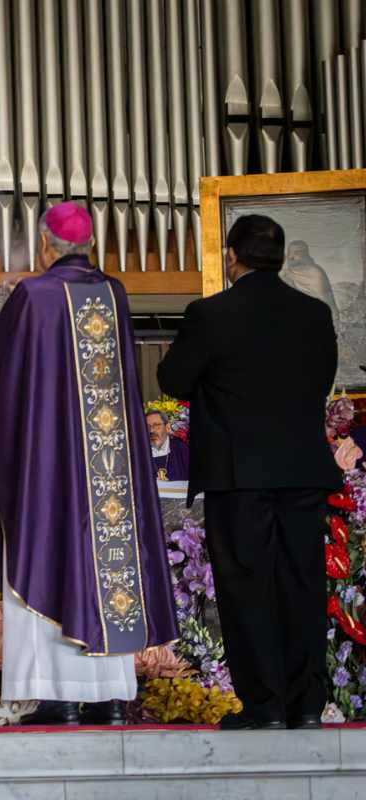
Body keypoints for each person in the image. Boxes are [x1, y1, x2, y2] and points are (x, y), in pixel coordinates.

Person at [0, 201, 177, 726]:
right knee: (107, 562)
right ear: (89, 246)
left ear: (47, 245)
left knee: (46, 548)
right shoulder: (114, 293)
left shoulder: (34, 294)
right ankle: (111, 697)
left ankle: (56, 696)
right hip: (107, 463)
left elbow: (4, 362)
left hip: (47, 462)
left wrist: (1, 304)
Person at [158, 214, 341, 731]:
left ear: (231, 257)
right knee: (303, 586)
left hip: (238, 476)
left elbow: (173, 380)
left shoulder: (210, 313)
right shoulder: (313, 314)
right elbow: (322, 379)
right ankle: (306, 705)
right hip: (303, 471)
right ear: (280, 259)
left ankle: (264, 706)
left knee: (247, 588)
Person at [280, 240, 338, 317]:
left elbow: (324, 300)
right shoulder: (286, 274)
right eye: (289, 253)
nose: (291, 257)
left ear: (305, 255)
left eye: (296, 253)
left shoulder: (315, 272)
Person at [145, 410, 189, 481]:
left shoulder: (183, 450)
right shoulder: (139, 453)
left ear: (167, 427)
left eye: (156, 425)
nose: (151, 431)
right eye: (147, 427)